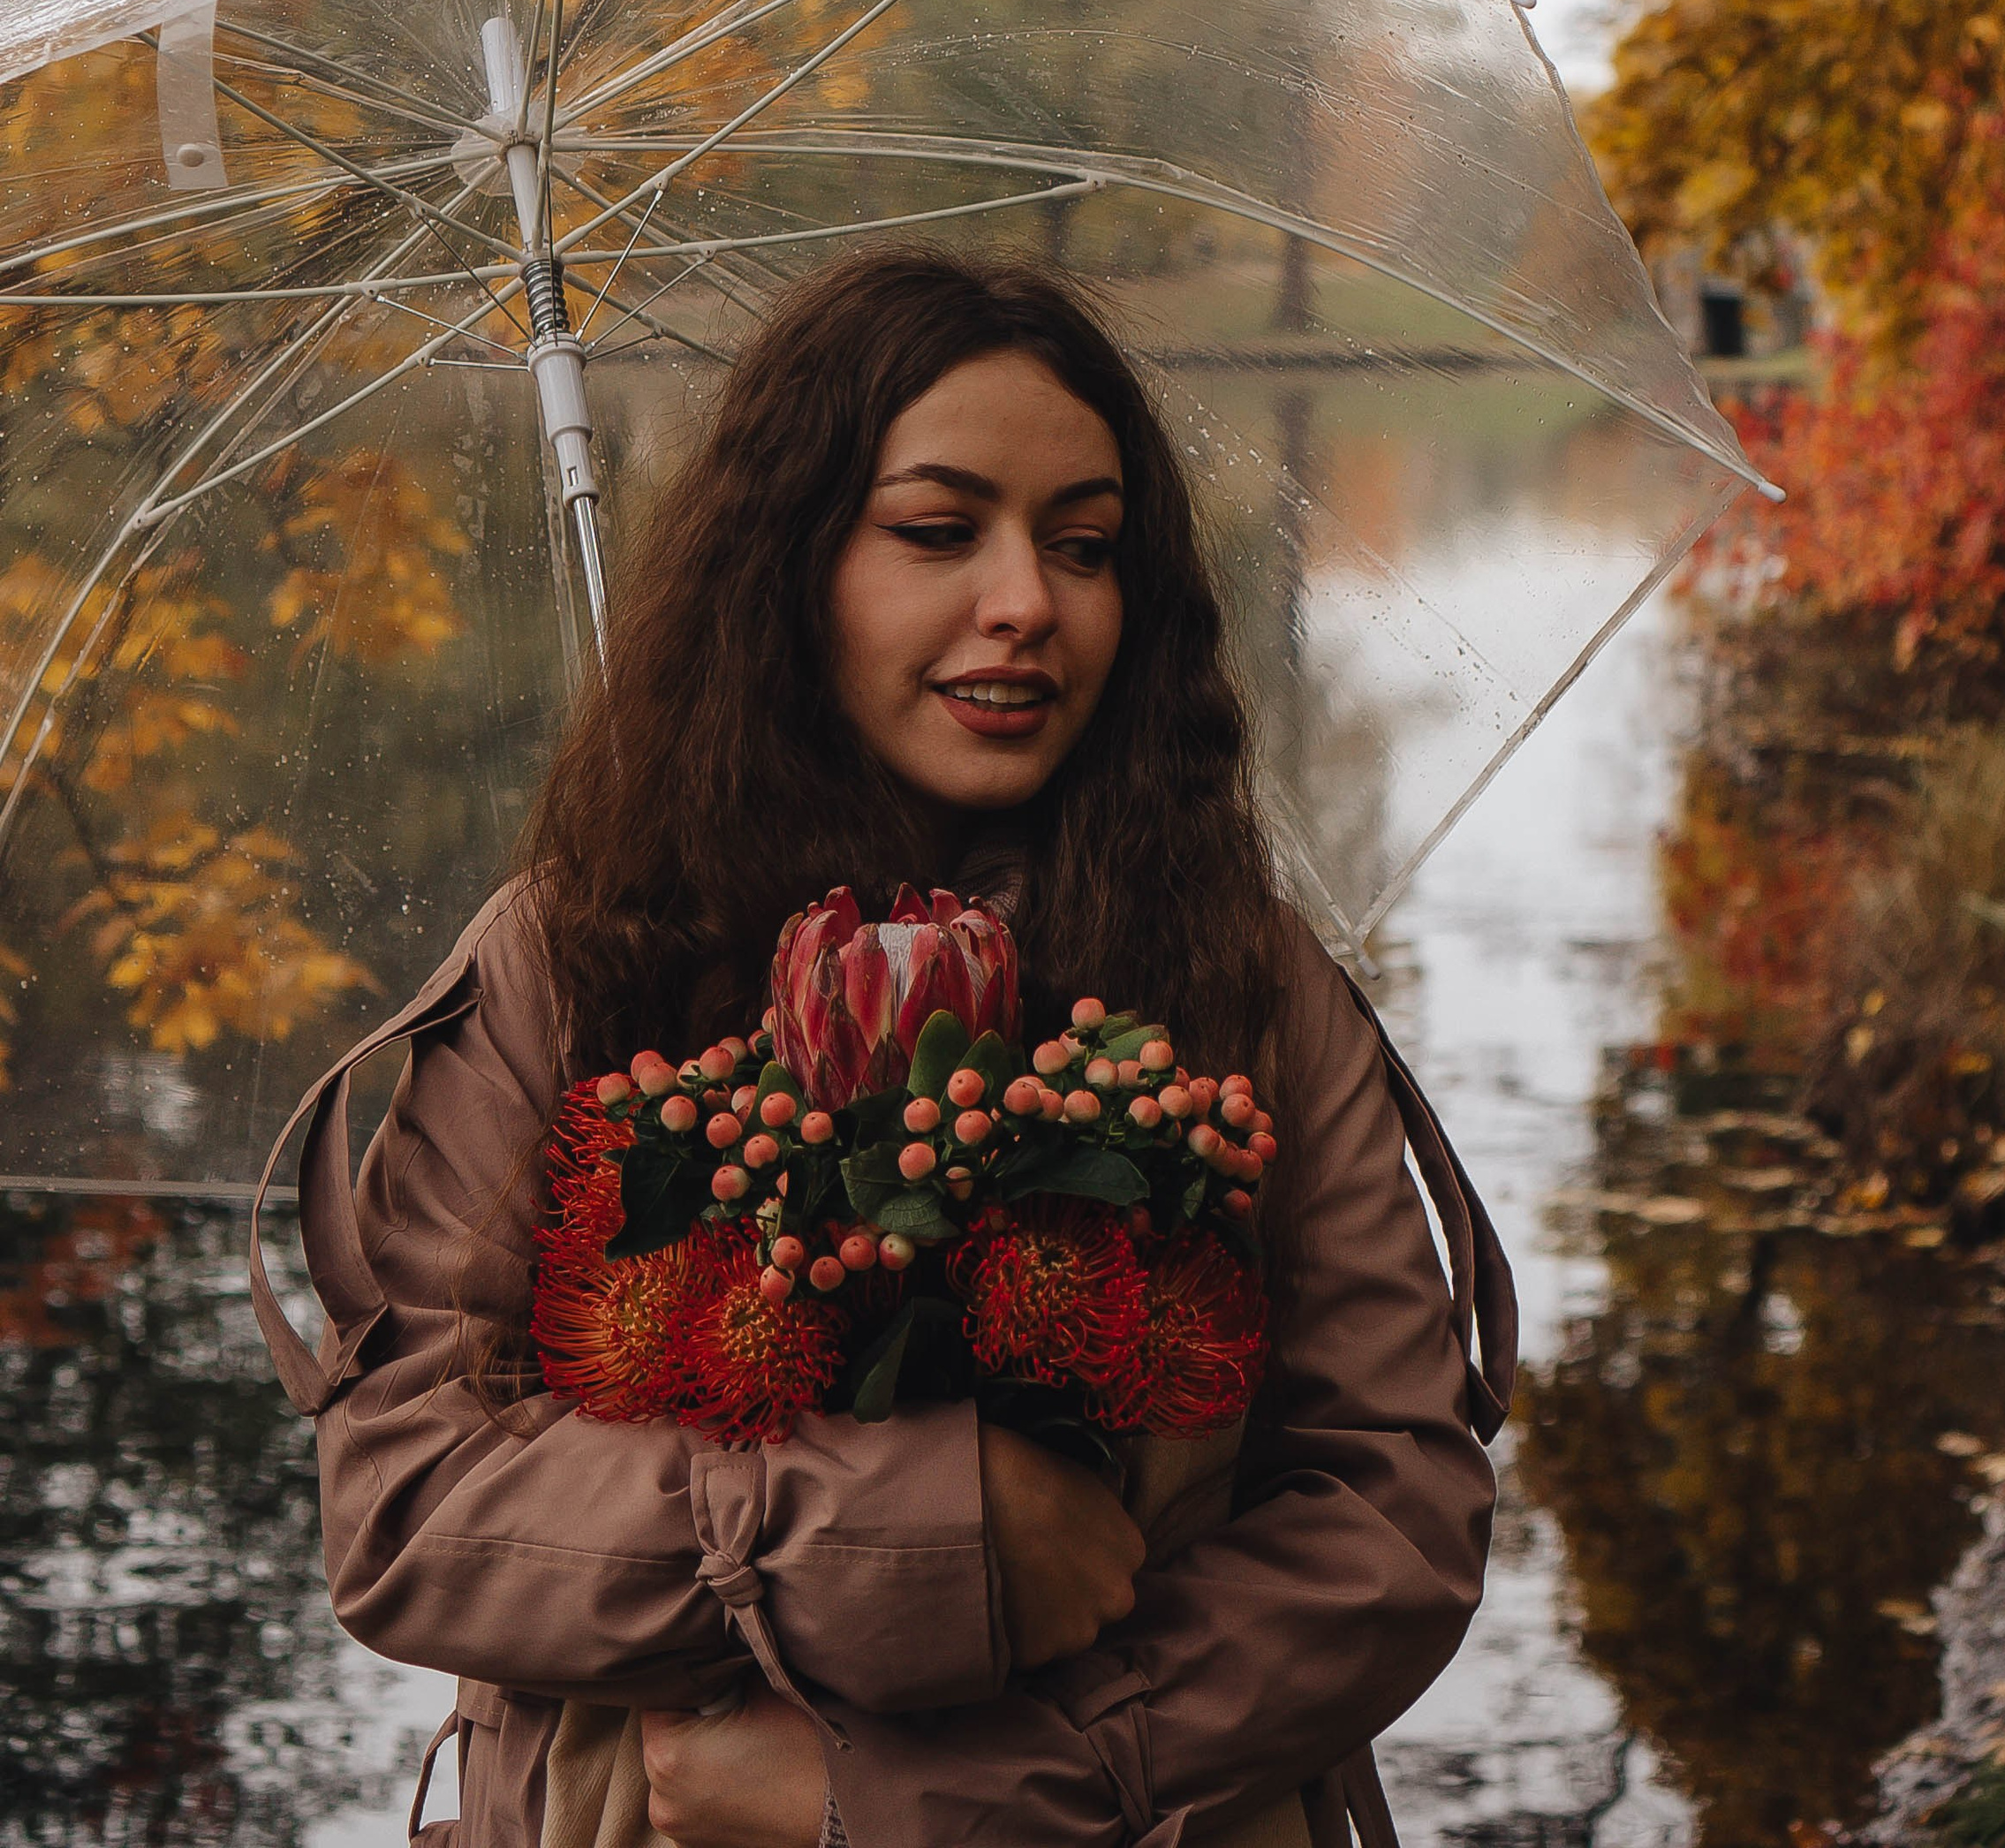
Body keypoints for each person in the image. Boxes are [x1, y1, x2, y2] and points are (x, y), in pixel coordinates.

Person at [250, 252, 1515, 1848]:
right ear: (790, 564)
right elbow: (411, 1510)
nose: (1028, 602)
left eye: (1087, 547)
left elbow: (1390, 1522)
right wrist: (907, 1529)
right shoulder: (572, 958)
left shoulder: (1237, 974)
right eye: (937, 531)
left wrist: (961, 1791)